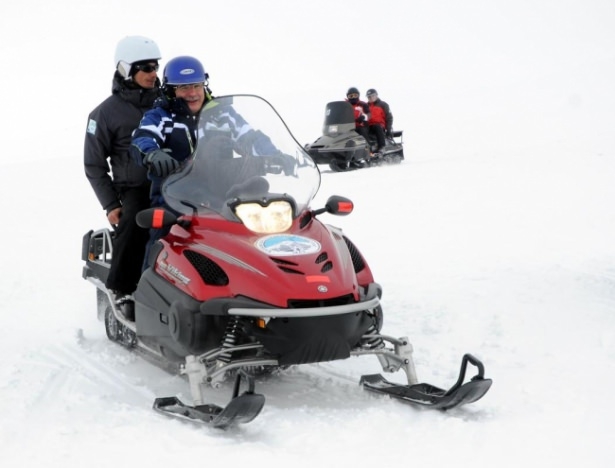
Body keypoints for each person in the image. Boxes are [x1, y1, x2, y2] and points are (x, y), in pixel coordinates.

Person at [84, 35, 162, 320]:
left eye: (155, 67)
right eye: (146, 68)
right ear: (126, 70)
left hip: (177, 183)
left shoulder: (169, 103)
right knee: (134, 221)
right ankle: (123, 288)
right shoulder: (104, 114)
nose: (153, 73)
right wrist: (111, 204)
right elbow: (94, 164)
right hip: (136, 187)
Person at [366, 88, 394, 153]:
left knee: (376, 126)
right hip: (369, 126)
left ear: (376, 95)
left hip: (379, 126)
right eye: (369, 97)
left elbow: (389, 117)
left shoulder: (383, 104)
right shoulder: (366, 106)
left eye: (373, 96)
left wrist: (388, 129)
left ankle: (382, 146)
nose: (371, 98)